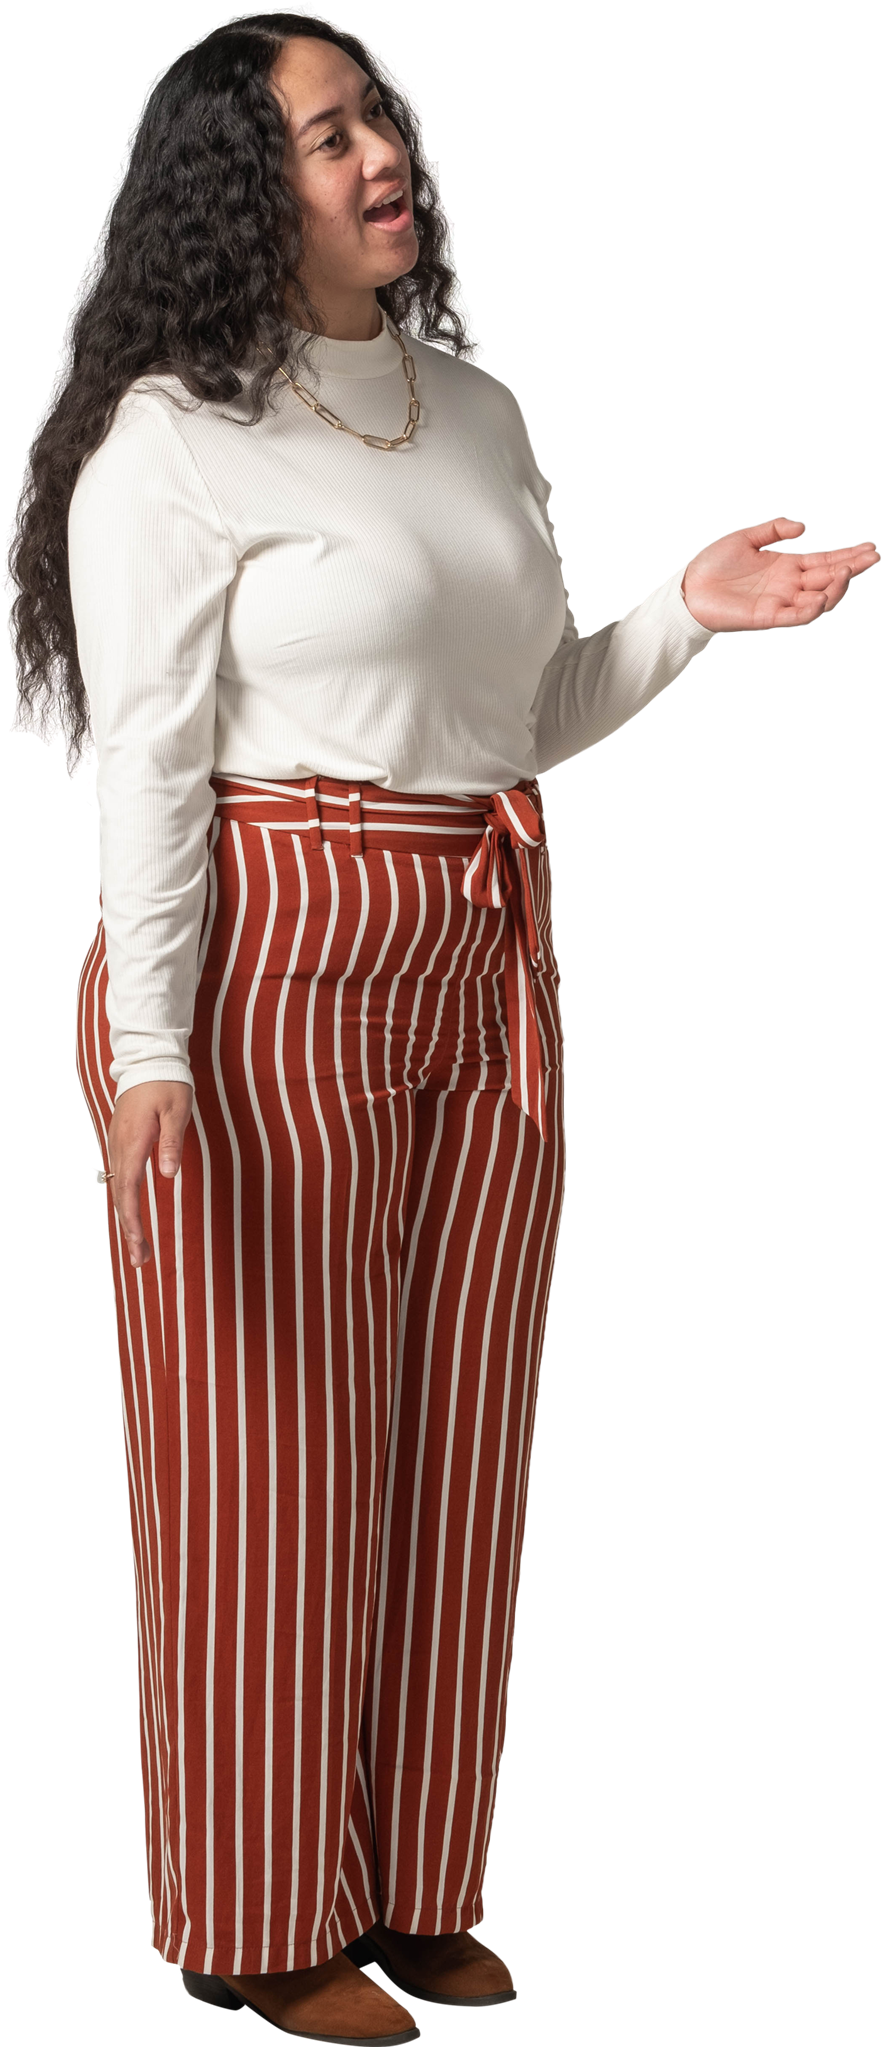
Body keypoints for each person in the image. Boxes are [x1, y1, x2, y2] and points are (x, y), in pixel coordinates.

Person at [69, 20, 744, 2048]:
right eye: (321, 134)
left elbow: (519, 718)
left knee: (462, 1436)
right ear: (232, 189)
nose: (378, 152)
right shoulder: (172, 443)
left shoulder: (474, 408)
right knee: (268, 1455)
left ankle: (416, 1884)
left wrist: (686, 611)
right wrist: (155, 1052)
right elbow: (152, 769)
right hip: (269, 950)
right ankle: (260, 1912)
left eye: (377, 114)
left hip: (481, 933)